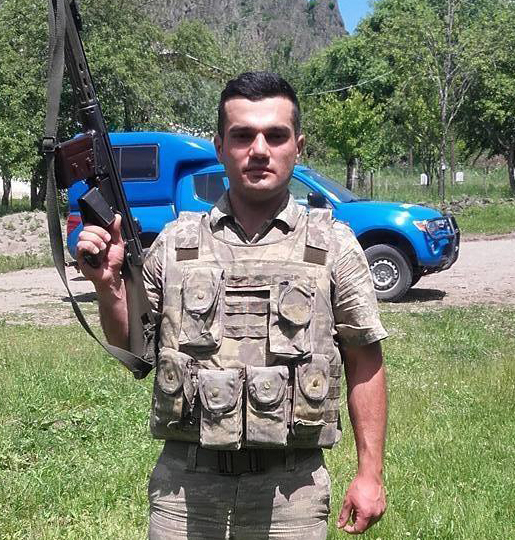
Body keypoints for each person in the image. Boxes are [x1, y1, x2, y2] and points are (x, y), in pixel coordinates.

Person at [76, 72, 388, 539]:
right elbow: (135, 351)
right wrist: (108, 286)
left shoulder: (333, 246)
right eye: (243, 136)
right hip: (185, 491)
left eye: (276, 135)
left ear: (298, 146)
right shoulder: (176, 244)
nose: (259, 150)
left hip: (292, 493)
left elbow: (365, 359)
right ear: (220, 147)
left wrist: (370, 474)